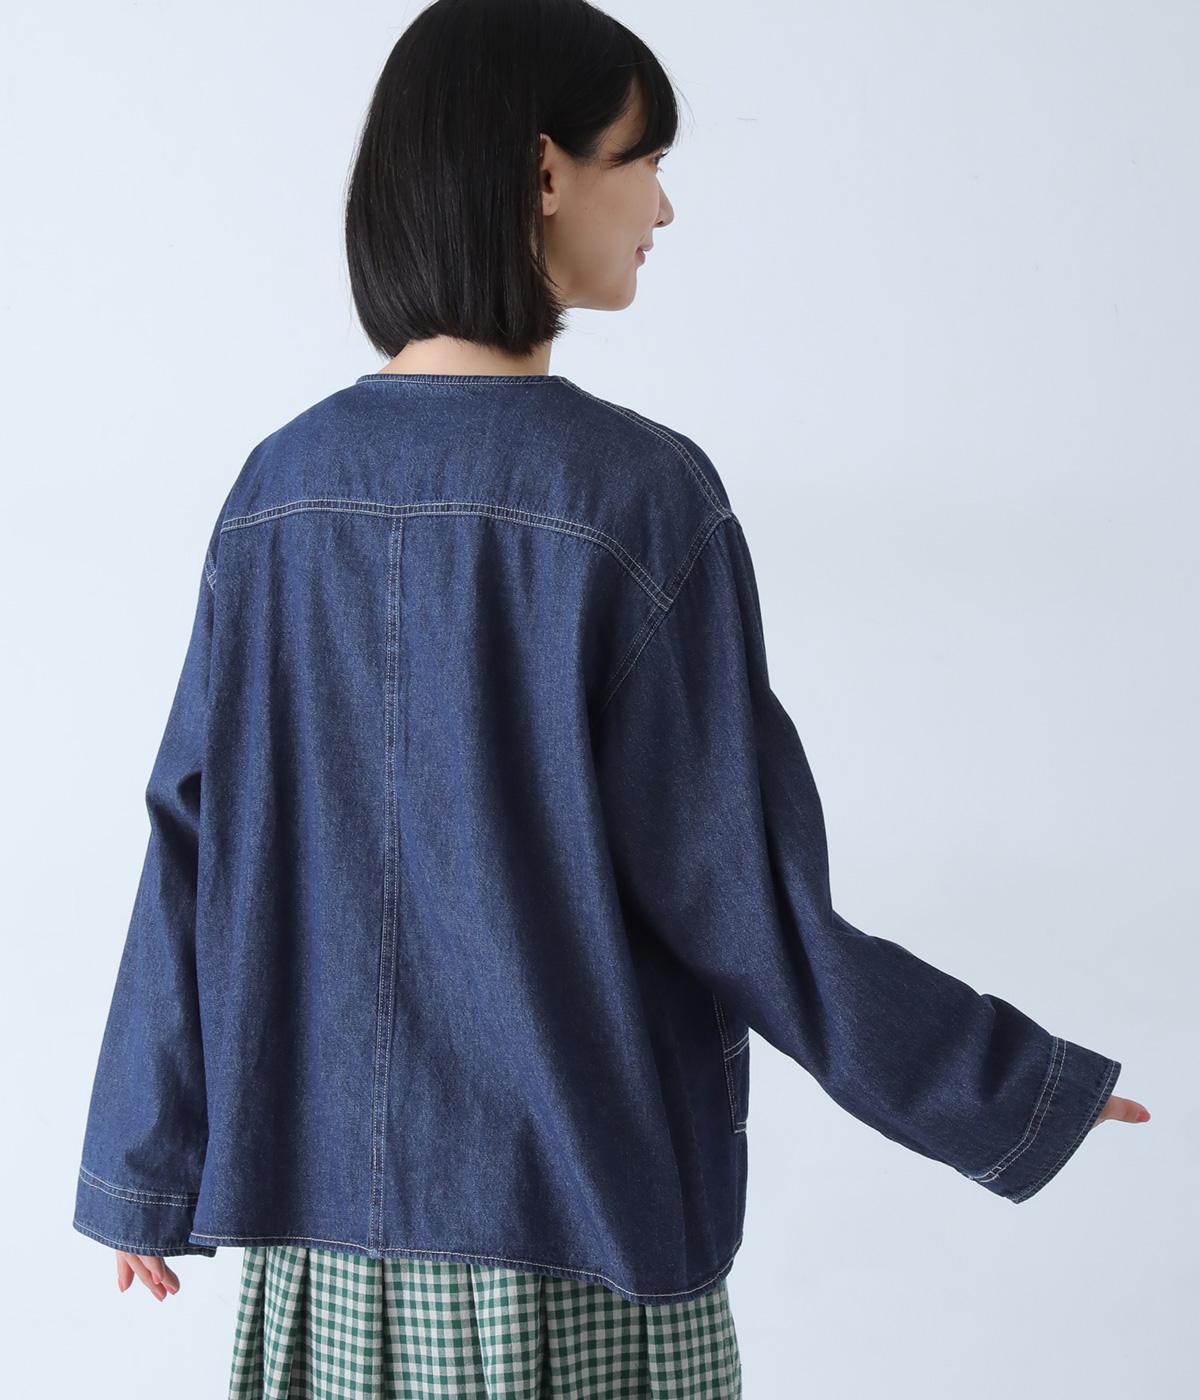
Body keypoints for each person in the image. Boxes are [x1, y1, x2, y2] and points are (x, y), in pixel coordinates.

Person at [73, 2, 1148, 1395]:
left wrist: (144, 1164)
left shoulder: (275, 493)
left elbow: (190, 844)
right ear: (543, 172)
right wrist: (1009, 1089)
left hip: (319, 1249)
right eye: (643, 160)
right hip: (571, 1240)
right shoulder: (636, 499)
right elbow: (743, 899)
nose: (665, 207)